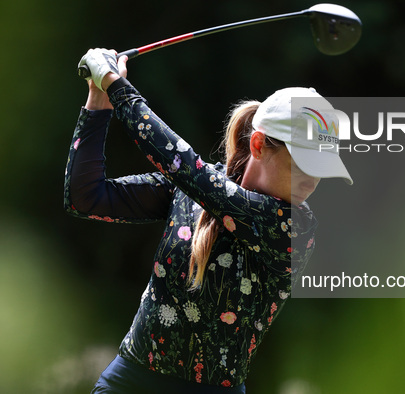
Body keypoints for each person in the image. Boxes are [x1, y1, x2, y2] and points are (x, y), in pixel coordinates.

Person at [65, 48, 352, 393]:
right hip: (131, 380)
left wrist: (114, 82)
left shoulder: (293, 228)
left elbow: (181, 164)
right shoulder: (195, 189)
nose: (313, 181)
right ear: (259, 145)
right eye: (303, 165)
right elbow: (86, 197)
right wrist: (99, 102)